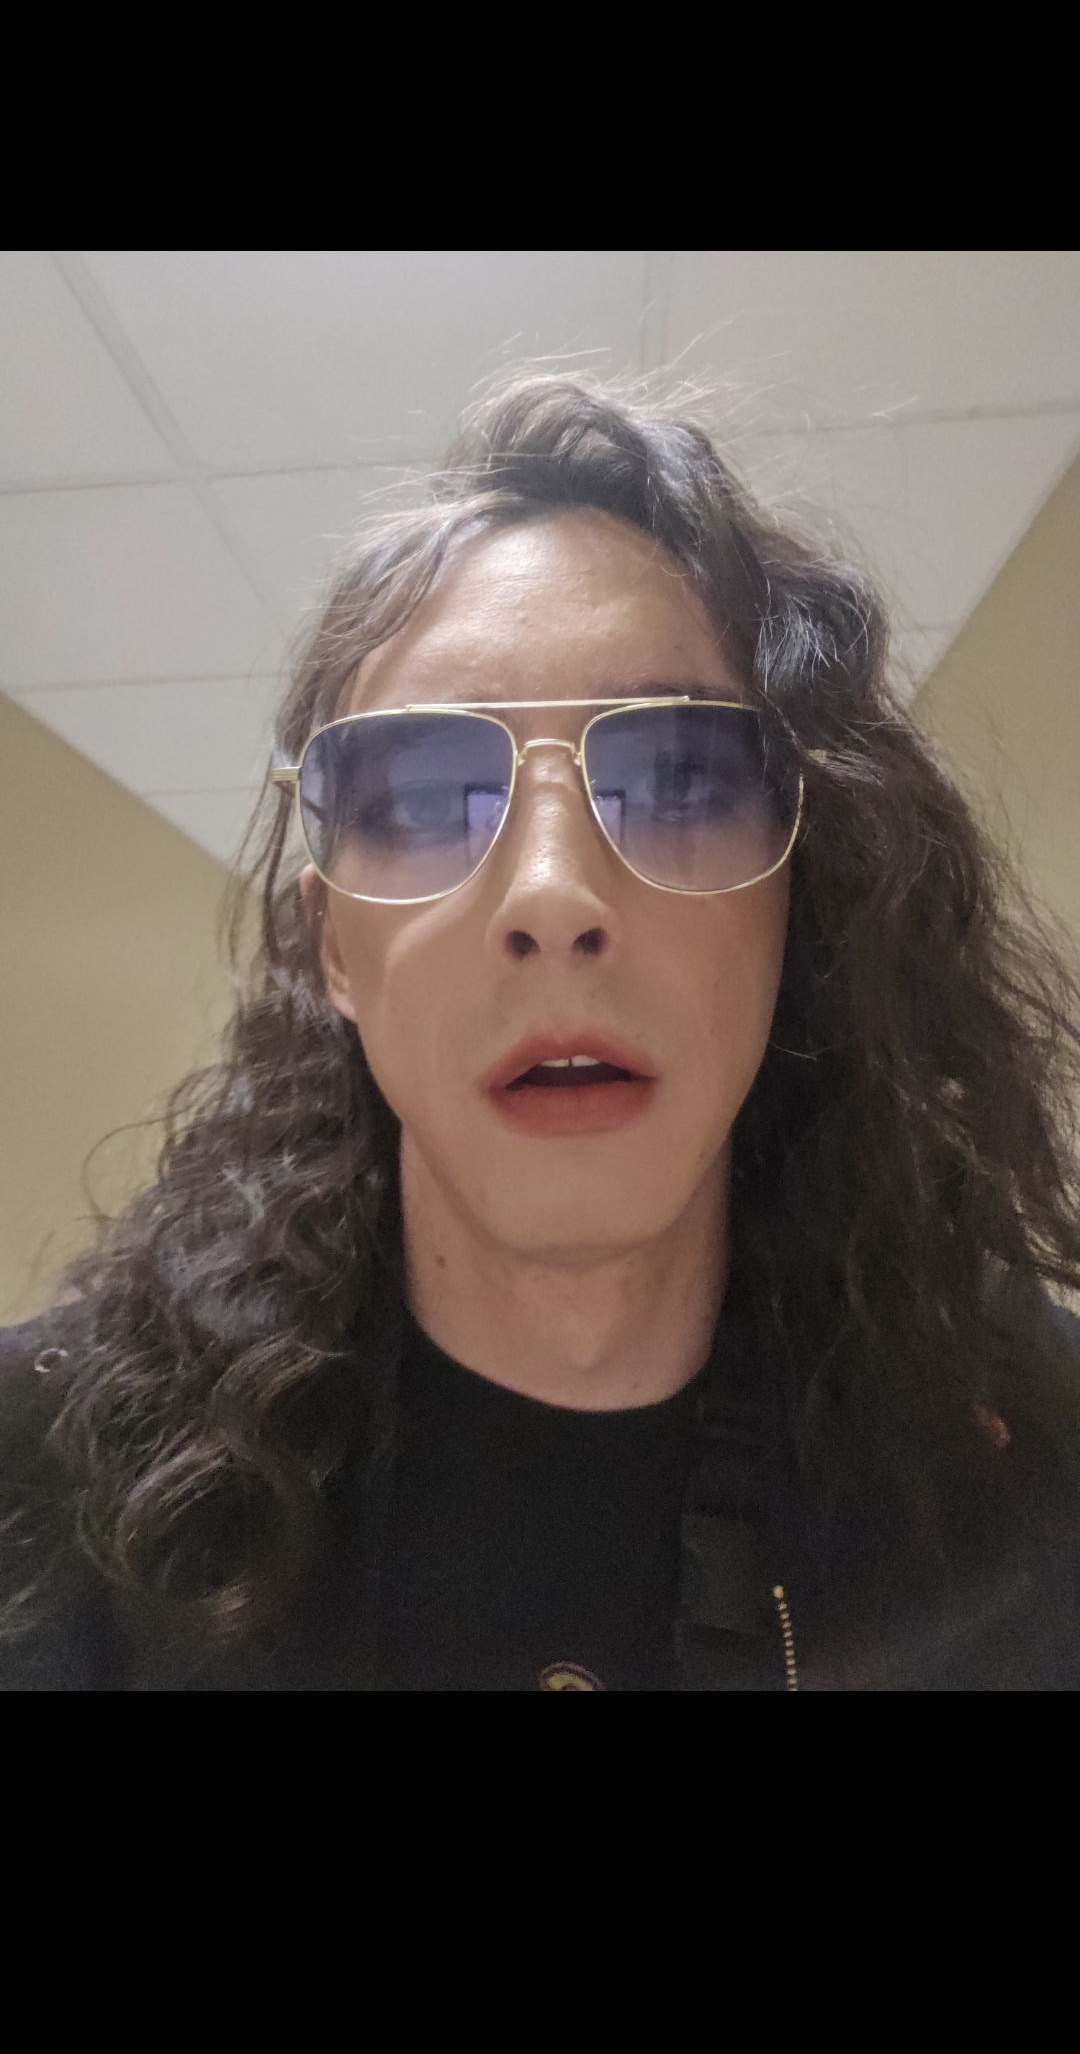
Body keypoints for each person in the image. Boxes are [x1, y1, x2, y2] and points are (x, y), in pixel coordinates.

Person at [3, 373, 1079, 1692]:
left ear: (796, 906)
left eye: (678, 779)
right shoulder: (49, 1492)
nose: (555, 897)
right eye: (423, 798)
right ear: (332, 947)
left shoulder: (1036, 1477)